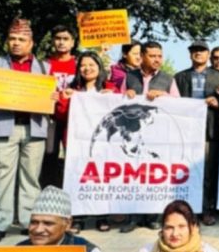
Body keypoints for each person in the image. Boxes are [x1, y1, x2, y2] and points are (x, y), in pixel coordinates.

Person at [0, 18, 55, 244]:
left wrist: (52, 97)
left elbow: (51, 98)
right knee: (1, 177)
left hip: (34, 127)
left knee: (31, 178)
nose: (16, 43)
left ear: (31, 43)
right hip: (4, 126)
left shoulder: (44, 67)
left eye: (21, 40)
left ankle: (28, 222)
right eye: (12, 39)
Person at [113, 41, 180, 233]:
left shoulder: (168, 79)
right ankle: (133, 218)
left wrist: (164, 95)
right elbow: (116, 101)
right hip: (133, 135)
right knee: (133, 174)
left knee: (153, 175)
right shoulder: (130, 76)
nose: (157, 59)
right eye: (152, 56)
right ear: (142, 56)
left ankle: (153, 217)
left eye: (160, 56)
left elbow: (180, 105)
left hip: (157, 135)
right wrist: (127, 94)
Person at [57, 51, 116, 232]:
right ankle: (78, 218)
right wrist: (64, 100)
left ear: (99, 67)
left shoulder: (110, 87)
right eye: (83, 65)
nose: (87, 68)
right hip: (77, 143)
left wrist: (114, 97)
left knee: (102, 177)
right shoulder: (72, 88)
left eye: (91, 65)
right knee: (77, 177)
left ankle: (102, 216)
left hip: (103, 143)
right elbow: (60, 116)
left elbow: (120, 112)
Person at [174, 40, 219, 226]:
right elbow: (173, 104)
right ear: (190, 54)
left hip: (209, 131)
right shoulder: (179, 77)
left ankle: (206, 210)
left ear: (208, 54)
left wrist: (218, 104)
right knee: (186, 172)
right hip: (186, 133)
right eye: (194, 51)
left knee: (208, 173)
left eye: (202, 50)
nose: (198, 53)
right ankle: (188, 211)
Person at [41, 24, 79, 189]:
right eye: (58, 39)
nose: (61, 42)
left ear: (73, 43)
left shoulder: (80, 65)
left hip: (74, 118)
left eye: (66, 39)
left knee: (75, 157)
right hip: (50, 118)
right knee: (49, 156)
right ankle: (47, 197)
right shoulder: (43, 65)